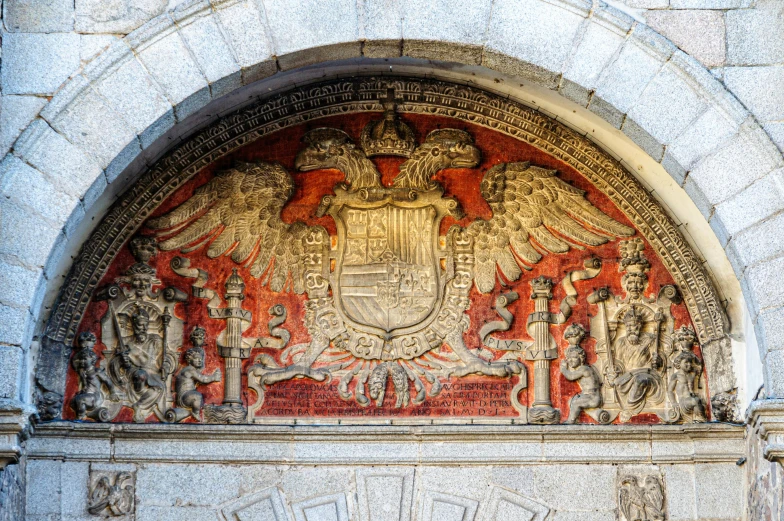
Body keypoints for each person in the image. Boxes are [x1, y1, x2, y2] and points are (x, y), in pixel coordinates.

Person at [559, 324, 603, 424]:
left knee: (576, 403)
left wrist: (563, 369)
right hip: (588, 396)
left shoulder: (584, 369)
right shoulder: (582, 368)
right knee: (573, 401)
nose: (570, 361)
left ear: (581, 358)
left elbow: (570, 376)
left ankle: (571, 421)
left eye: (574, 358)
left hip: (593, 398)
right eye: (569, 358)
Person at [175, 327, 221, 420]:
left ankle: (193, 411)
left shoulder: (192, 369)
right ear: (189, 360)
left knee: (198, 397)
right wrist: (214, 377)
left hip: (187, 395)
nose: (199, 360)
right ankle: (195, 413)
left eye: (200, 358)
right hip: (184, 397)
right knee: (197, 396)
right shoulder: (189, 370)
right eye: (196, 358)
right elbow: (203, 379)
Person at [667, 351, 707, 422]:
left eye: (690, 362)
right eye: (686, 362)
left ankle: (697, 418)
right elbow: (670, 391)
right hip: (683, 402)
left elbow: (699, 365)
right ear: (679, 363)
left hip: (692, 399)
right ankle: (700, 419)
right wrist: (674, 403)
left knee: (699, 400)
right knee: (696, 400)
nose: (689, 364)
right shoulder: (676, 376)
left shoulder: (692, 374)